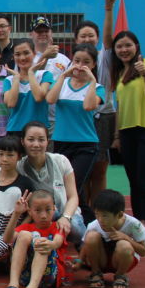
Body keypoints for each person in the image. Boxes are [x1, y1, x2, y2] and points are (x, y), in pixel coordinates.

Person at [110, 30, 145, 251]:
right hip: (127, 132)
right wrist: (116, 136)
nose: (124, 50)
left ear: (137, 46)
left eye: (128, 45)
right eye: (119, 47)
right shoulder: (121, 73)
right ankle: (139, 227)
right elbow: (120, 108)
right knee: (134, 182)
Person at [46, 43, 104, 222]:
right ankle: (81, 224)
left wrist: (92, 81)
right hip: (61, 143)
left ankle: (89, 224)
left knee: (74, 186)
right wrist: (63, 75)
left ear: (93, 65)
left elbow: (88, 105)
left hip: (85, 144)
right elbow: (50, 99)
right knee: (61, 187)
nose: (79, 66)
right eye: (76, 61)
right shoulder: (61, 83)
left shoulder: (98, 87)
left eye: (86, 62)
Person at [0, 190, 67, 288]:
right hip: (25, 277)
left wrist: (50, 244)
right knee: (23, 235)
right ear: (30, 211)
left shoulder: (57, 226)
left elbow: (57, 241)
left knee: (41, 241)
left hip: (50, 277)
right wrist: (16, 214)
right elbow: (7, 239)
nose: (43, 215)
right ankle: (13, 286)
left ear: (54, 209)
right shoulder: (26, 227)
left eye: (48, 210)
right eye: (38, 210)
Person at [17, 121, 84, 245]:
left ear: (48, 141)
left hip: (65, 212)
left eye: (41, 140)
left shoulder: (61, 161)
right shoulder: (19, 167)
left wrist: (66, 217)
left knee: (76, 230)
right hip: (38, 216)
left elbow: (73, 196)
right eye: (31, 139)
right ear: (22, 141)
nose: (36, 144)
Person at [80, 0, 117, 207]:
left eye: (91, 36)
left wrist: (108, 10)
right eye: (83, 36)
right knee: (83, 169)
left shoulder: (104, 57)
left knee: (100, 167)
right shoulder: (72, 64)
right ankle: (85, 211)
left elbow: (109, 41)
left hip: (103, 117)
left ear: (97, 37)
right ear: (77, 40)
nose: (87, 39)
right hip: (83, 118)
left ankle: (100, 210)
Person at [0, 135, 36, 270]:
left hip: (11, 233)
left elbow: (30, 214)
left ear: (19, 156)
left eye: (10, 155)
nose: (4, 159)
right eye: (1, 154)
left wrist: (17, 231)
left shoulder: (25, 183)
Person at [82, 189, 145, 288]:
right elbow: (85, 246)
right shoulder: (94, 225)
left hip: (122, 260)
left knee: (124, 245)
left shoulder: (133, 224)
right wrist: (79, 261)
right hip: (102, 259)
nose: (100, 219)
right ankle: (96, 273)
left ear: (119, 215)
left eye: (105, 216)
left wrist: (125, 237)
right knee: (91, 237)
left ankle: (120, 276)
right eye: (97, 214)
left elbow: (143, 252)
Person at [4, 38, 53, 135]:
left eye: (26, 53)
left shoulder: (45, 75)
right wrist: (17, 78)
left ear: (34, 53)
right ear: (13, 57)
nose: (22, 58)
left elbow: (39, 97)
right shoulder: (9, 80)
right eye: (17, 54)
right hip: (15, 130)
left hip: (38, 131)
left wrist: (31, 73)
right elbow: (10, 103)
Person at [30, 16, 70, 127]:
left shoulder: (64, 59)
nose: (43, 33)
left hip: (58, 117)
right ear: (31, 34)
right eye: (38, 31)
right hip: (34, 116)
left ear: (51, 33)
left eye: (46, 31)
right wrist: (45, 56)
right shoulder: (27, 58)